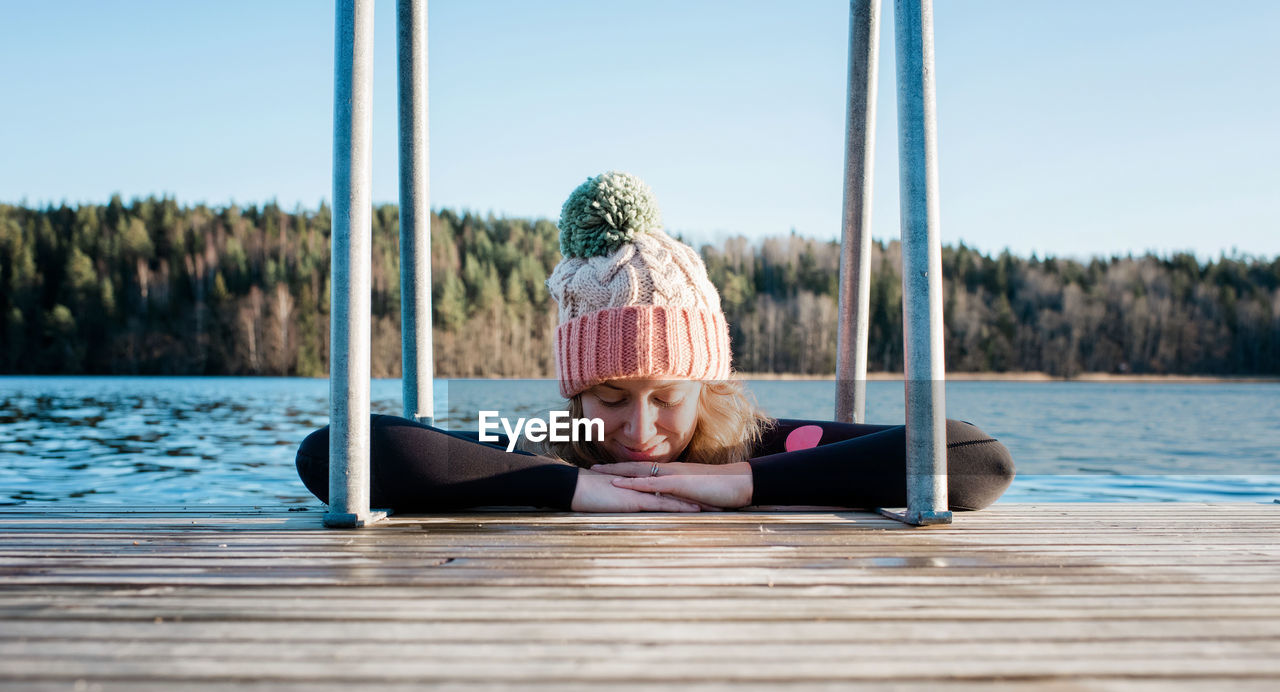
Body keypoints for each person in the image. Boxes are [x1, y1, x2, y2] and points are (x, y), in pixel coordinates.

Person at [296, 171, 1015, 513]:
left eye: (667, 397)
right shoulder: (551, 443)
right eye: (610, 397)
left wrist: (741, 481)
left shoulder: (756, 442)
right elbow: (335, 453)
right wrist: (575, 487)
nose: (640, 431)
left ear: (706, 385)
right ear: (576, 392)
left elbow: (976, 459)